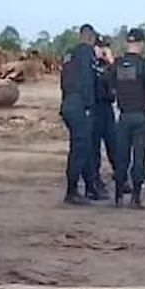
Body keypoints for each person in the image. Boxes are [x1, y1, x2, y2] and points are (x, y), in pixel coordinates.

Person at [110, 28, 145, 209]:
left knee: (121, 157)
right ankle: (136, 199)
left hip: (123, 117)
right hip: (140, 116)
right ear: (141, 44)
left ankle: (117, 197)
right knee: (139, 158)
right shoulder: (144, 65)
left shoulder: (117, 64)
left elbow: (111, 86)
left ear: (127, 43)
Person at [58, 23, 97, 205]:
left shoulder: (68, 54)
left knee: (81, 146)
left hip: (67, 103)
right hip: (79, 104)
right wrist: (89, 105)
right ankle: (72, 192)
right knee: (80, 149)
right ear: (90, 39)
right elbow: (88, 81)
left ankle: (89, 187)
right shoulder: (86, 53)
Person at [84, 35, 117, 200]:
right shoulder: (90, 64)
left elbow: (117, 79)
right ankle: (94, 182)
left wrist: (111, 62)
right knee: (94, 149)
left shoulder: (108, 65)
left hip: (107, 108)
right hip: (94, 108)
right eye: (101, 47)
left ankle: (120, 177)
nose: (104, 50)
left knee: (114, 144)